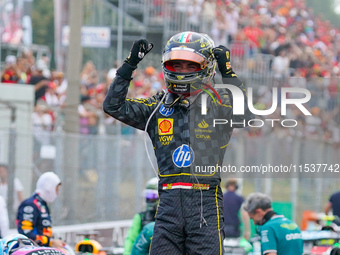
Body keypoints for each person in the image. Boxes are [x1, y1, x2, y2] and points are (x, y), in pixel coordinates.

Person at [103, 31, 252, 254]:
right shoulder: (156, 106)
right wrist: (130, 64)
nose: (182, 72)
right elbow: (113, 107)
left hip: (205, 203)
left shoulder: (217, 104)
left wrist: (227, 72)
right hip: (168, 204)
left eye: (190, 66)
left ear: (206, 67)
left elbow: (245, 115)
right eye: (177, 65)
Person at [16, 172, 64, 249]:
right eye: (56, 189)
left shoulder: (42, 205)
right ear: (49, 188)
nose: (57, 194)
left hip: (42, 250)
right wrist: (51, 242)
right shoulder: (30, 205)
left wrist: (53, 240)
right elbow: (26, 234)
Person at [123, 177, 158, 255]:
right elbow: (131, 239)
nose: (150, 199)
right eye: (148, 196)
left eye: (153, 196)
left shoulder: (169, 216)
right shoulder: (141, 217)